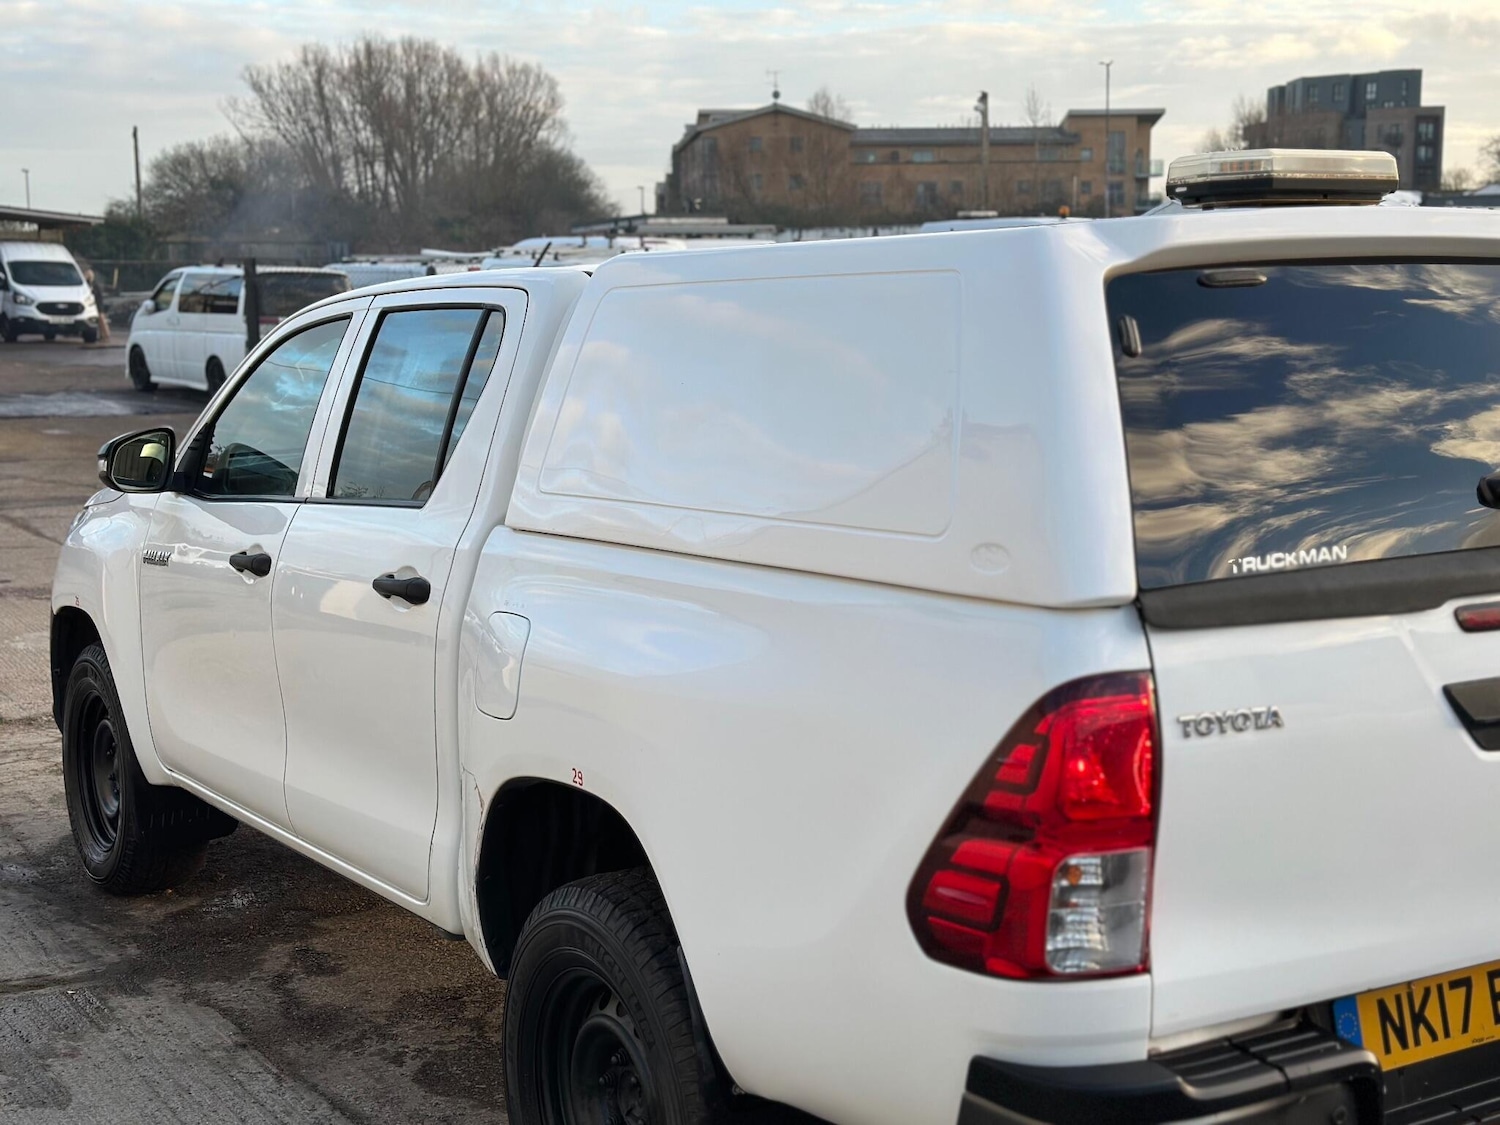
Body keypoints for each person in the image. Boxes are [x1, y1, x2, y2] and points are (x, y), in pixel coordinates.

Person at [84, 268, 111, 344]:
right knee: (100, 318)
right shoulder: (90, 284)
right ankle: (103, 334)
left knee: (101, 317)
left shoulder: (93, 285)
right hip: (94, 301)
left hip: (97, 301)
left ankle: (106, 334)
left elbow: (95, 294)